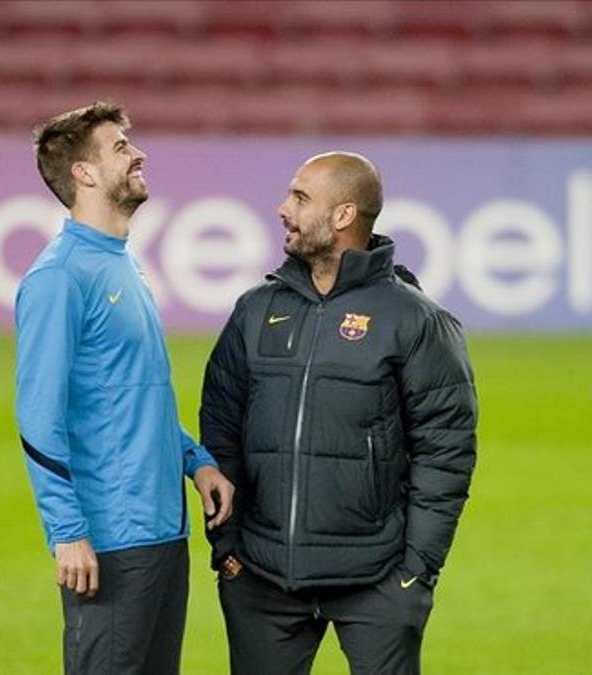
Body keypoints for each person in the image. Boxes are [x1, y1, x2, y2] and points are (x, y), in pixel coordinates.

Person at [201, 151, 478, 674]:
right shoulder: (256, 309)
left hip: (375, 580)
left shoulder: (416, 321)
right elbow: (220, 423)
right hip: (261, 578)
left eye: (301, 197)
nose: (284, 208)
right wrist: (229, 550)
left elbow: (446, 451)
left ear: (344, 215)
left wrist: (416, 572)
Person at [15, 101, 235, 674]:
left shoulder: (122, 264)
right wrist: (67, 533)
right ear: (84, 173)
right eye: (120, 147)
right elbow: (38, 417)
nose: (137, 154)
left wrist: (197, 461)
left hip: (162, 529)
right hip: (111, 540)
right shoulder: (59, 277)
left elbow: (135, 395)